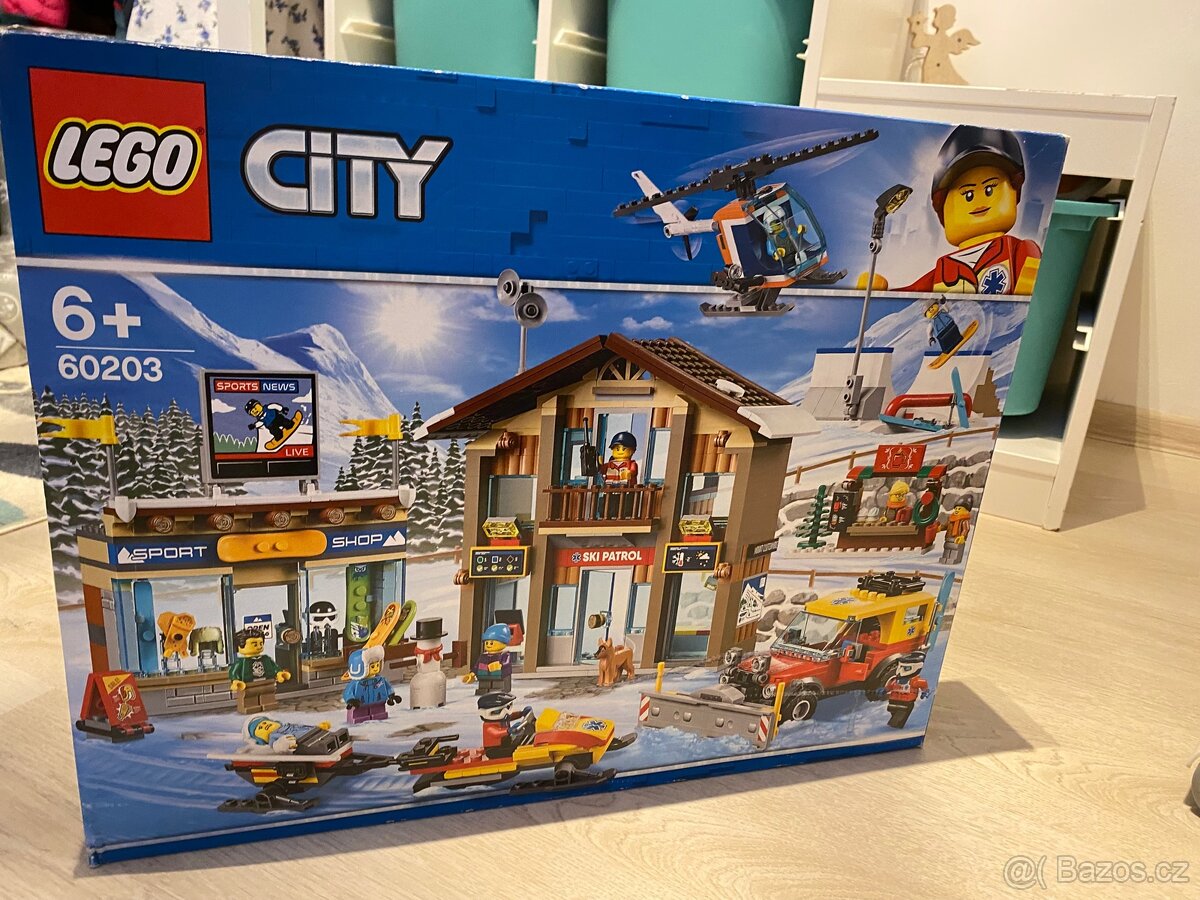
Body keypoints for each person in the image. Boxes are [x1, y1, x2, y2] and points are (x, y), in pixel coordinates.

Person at [477, 692, 533, 759]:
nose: (505, 712)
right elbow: (496, 733)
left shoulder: (502, 718)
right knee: (516, 749)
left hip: (505, 744)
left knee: (520, 740)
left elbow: (511, 716)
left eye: (508, 708)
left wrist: (521, 713)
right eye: (498, 711)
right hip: (494, 750)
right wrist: (509, 730)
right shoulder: (489, 726)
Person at [462, 623, 514, 695]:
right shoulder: (483, 656)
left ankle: (499, 689)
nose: (488, 645)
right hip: (484, 677)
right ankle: (484, 689)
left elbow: (506, 663)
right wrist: (472, 674)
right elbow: (477, 666)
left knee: (498, 685)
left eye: (491, 643)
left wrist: (499, 665)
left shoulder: (504, 655)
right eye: (486, 643)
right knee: (484, 684)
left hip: (499, 678)